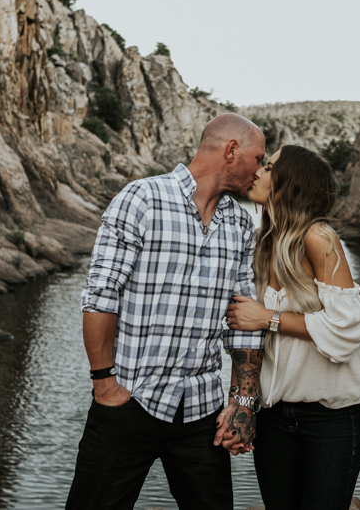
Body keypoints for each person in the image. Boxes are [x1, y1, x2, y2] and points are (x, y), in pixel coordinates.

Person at [66, 113, 267, 510]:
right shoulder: (141, 199)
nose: (259, 172)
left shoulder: (242, 224)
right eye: (258, 159)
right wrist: (105, 385)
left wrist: (242, 405)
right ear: (231, 150)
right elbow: (100, 296)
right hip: (128, 401)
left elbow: (243, 321)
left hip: (201, 412)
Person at [225, 145, 360, 510]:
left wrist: (268, 318)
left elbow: (346, 329)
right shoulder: (262, 243)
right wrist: (243, 405)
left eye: (269, 167)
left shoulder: (319, 238)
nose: (259, 171)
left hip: (332, 421)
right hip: (275, 417)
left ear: (289, 183)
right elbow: (247, 339)